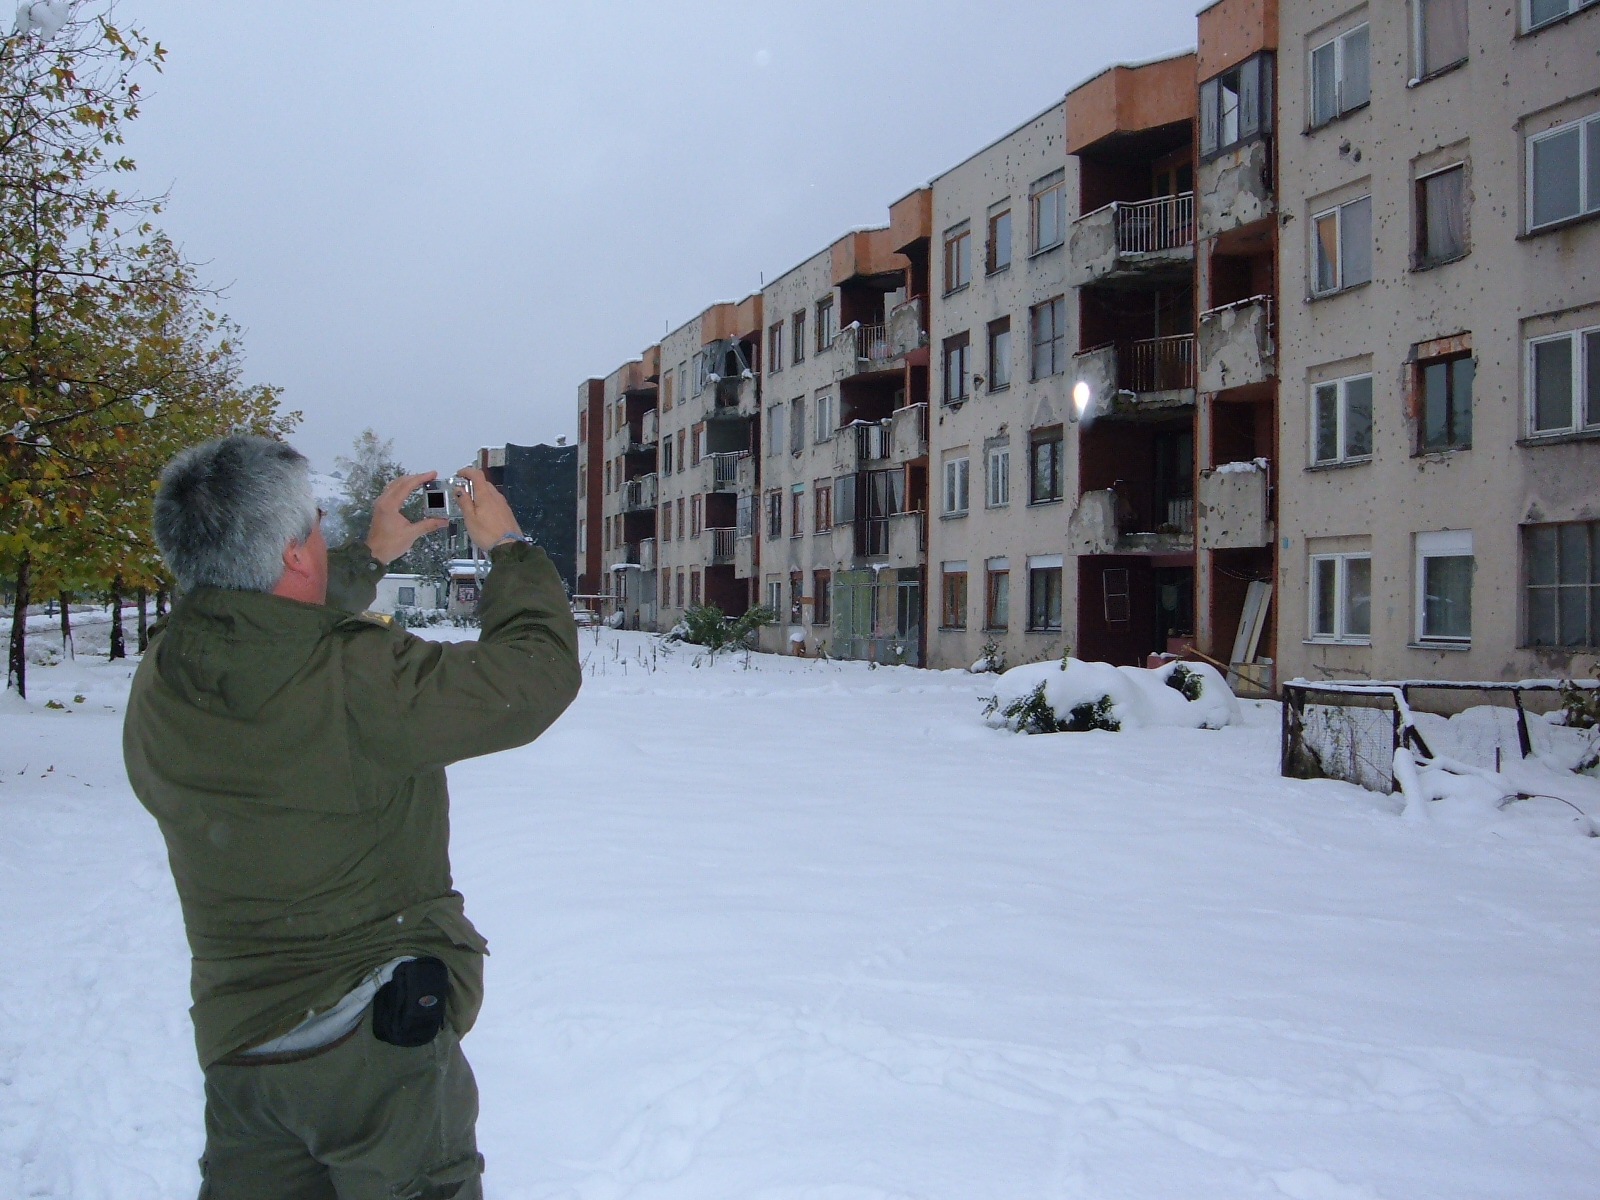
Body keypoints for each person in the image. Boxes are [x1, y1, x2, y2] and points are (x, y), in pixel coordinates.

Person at [123, 434, 581, 1199]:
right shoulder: (353, 680)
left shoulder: (167, 670)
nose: (318, 537)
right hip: (373, 1054)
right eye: (312, 526)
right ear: (297, 555)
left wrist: (371, 551)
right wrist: (508, 547)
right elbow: (533, 677)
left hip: (242, 1053)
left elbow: (262, 626)